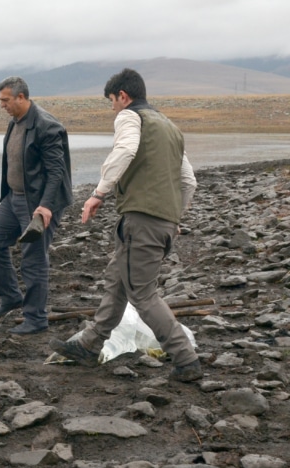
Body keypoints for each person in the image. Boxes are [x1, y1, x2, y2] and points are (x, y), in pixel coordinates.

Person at [49, 68, 202, 382]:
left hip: (141, 221)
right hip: (159, 223)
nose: (113, 109)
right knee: (117, 282)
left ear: (123, 96)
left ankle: (186, 360)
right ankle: (90, 345)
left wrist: (98, 193)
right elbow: (189, 182)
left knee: (143, 296)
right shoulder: (170, 127)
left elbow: (126, 150)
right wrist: (174, 217)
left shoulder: (131, 118)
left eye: (112, 101)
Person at [0, 76, 73, 335]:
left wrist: (45, 207)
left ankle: (36, 319)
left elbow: (57, 172)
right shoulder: (16, 122)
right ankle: (11, 297)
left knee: (33, 259)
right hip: (14, 198)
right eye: (0, 100)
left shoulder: (47, 126)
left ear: (21, 97)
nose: (2, 105)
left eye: (5, 100)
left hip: (38, 203)